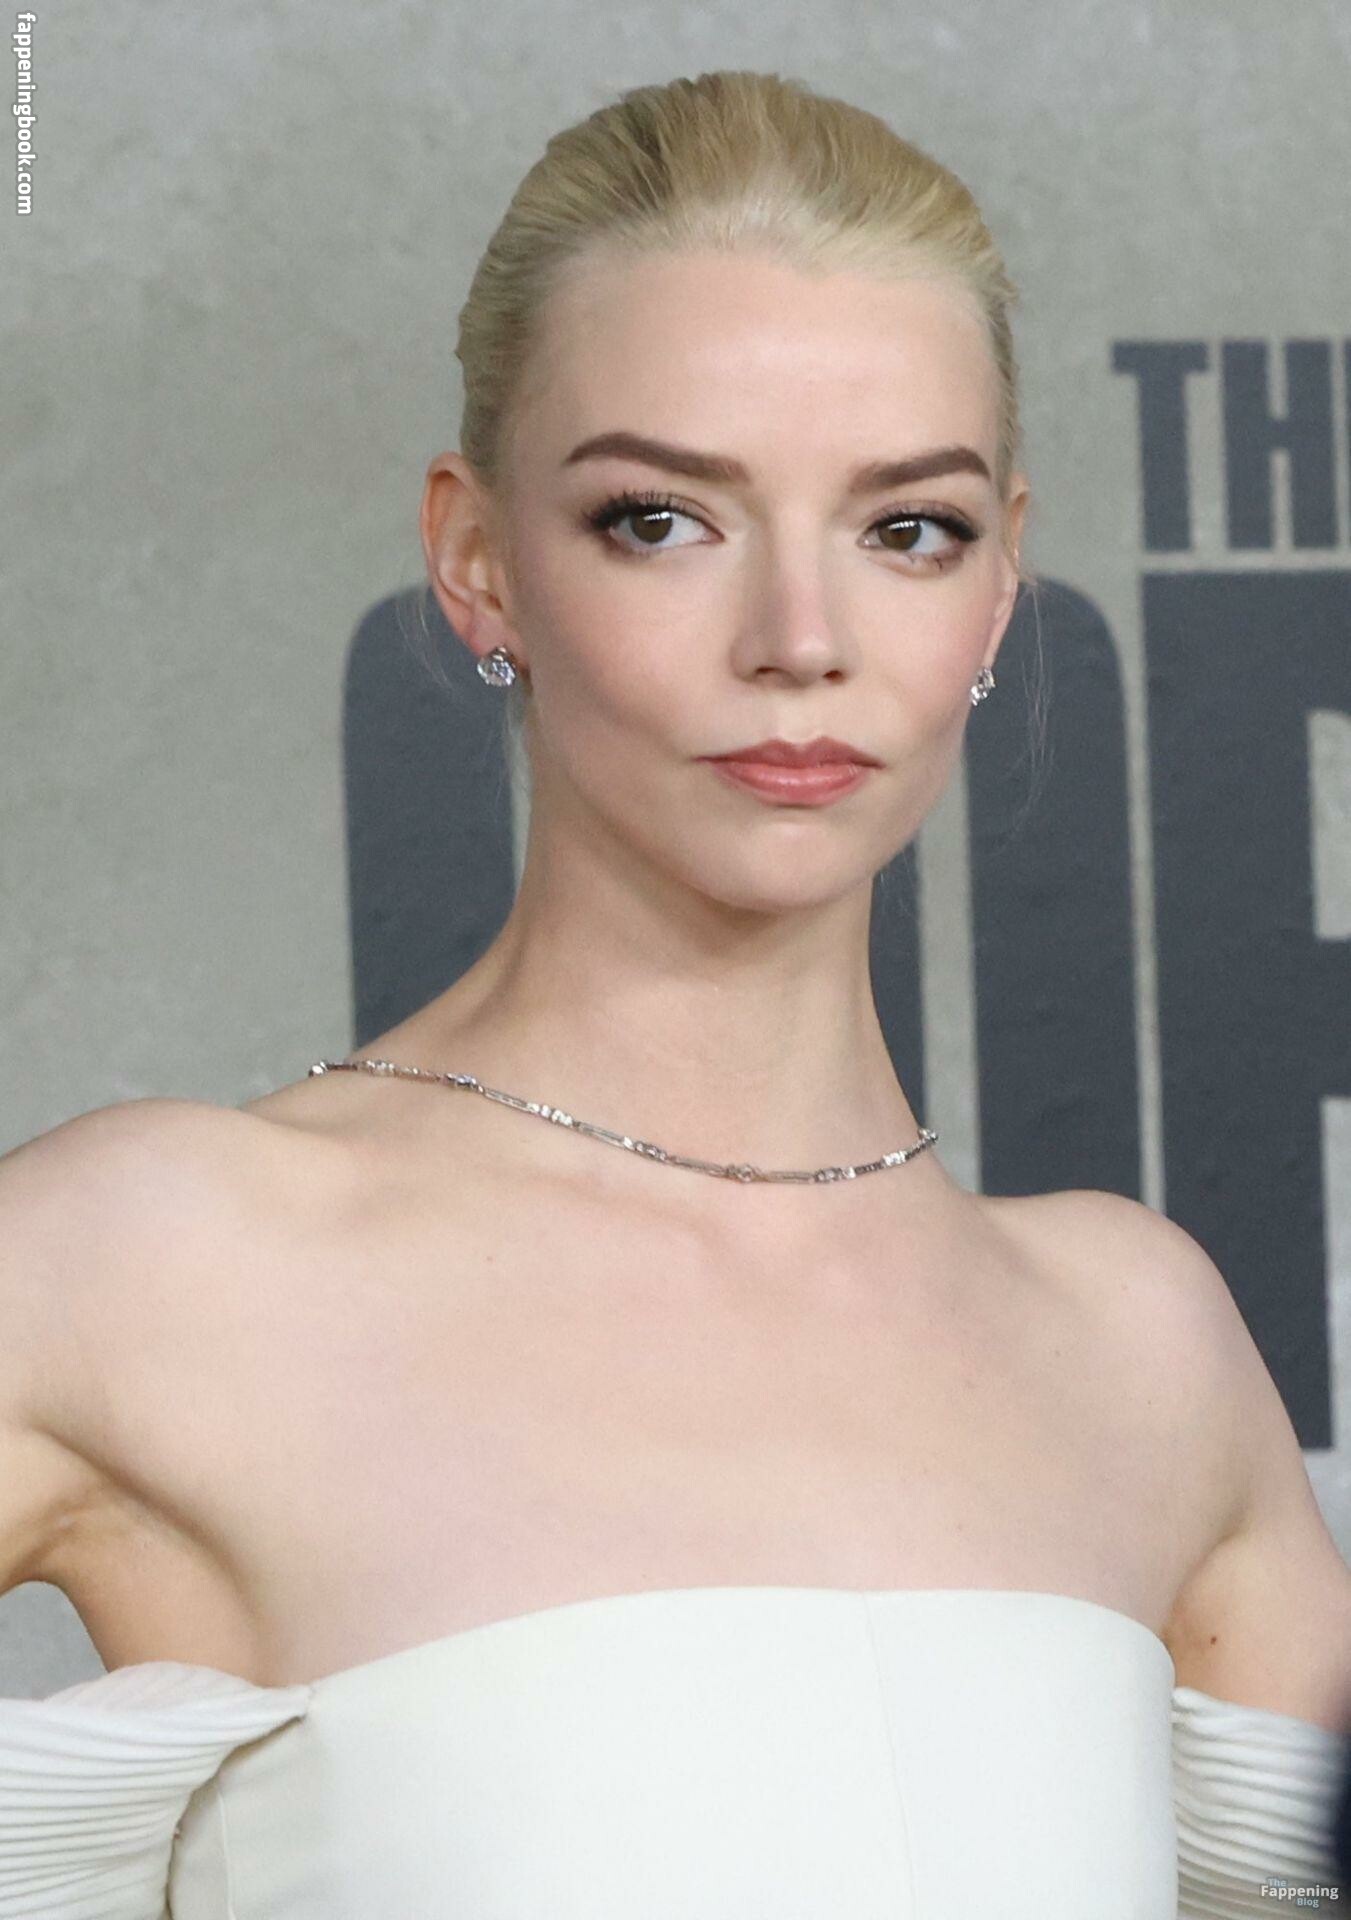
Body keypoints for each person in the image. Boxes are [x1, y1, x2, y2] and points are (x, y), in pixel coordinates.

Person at [1, 66, 1349, 1920]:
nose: (800, 639)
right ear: (478, 560)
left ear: (1000, 587)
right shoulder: (149, 1261)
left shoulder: (1139, 1343)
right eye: (661, 518)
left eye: (909, 529)